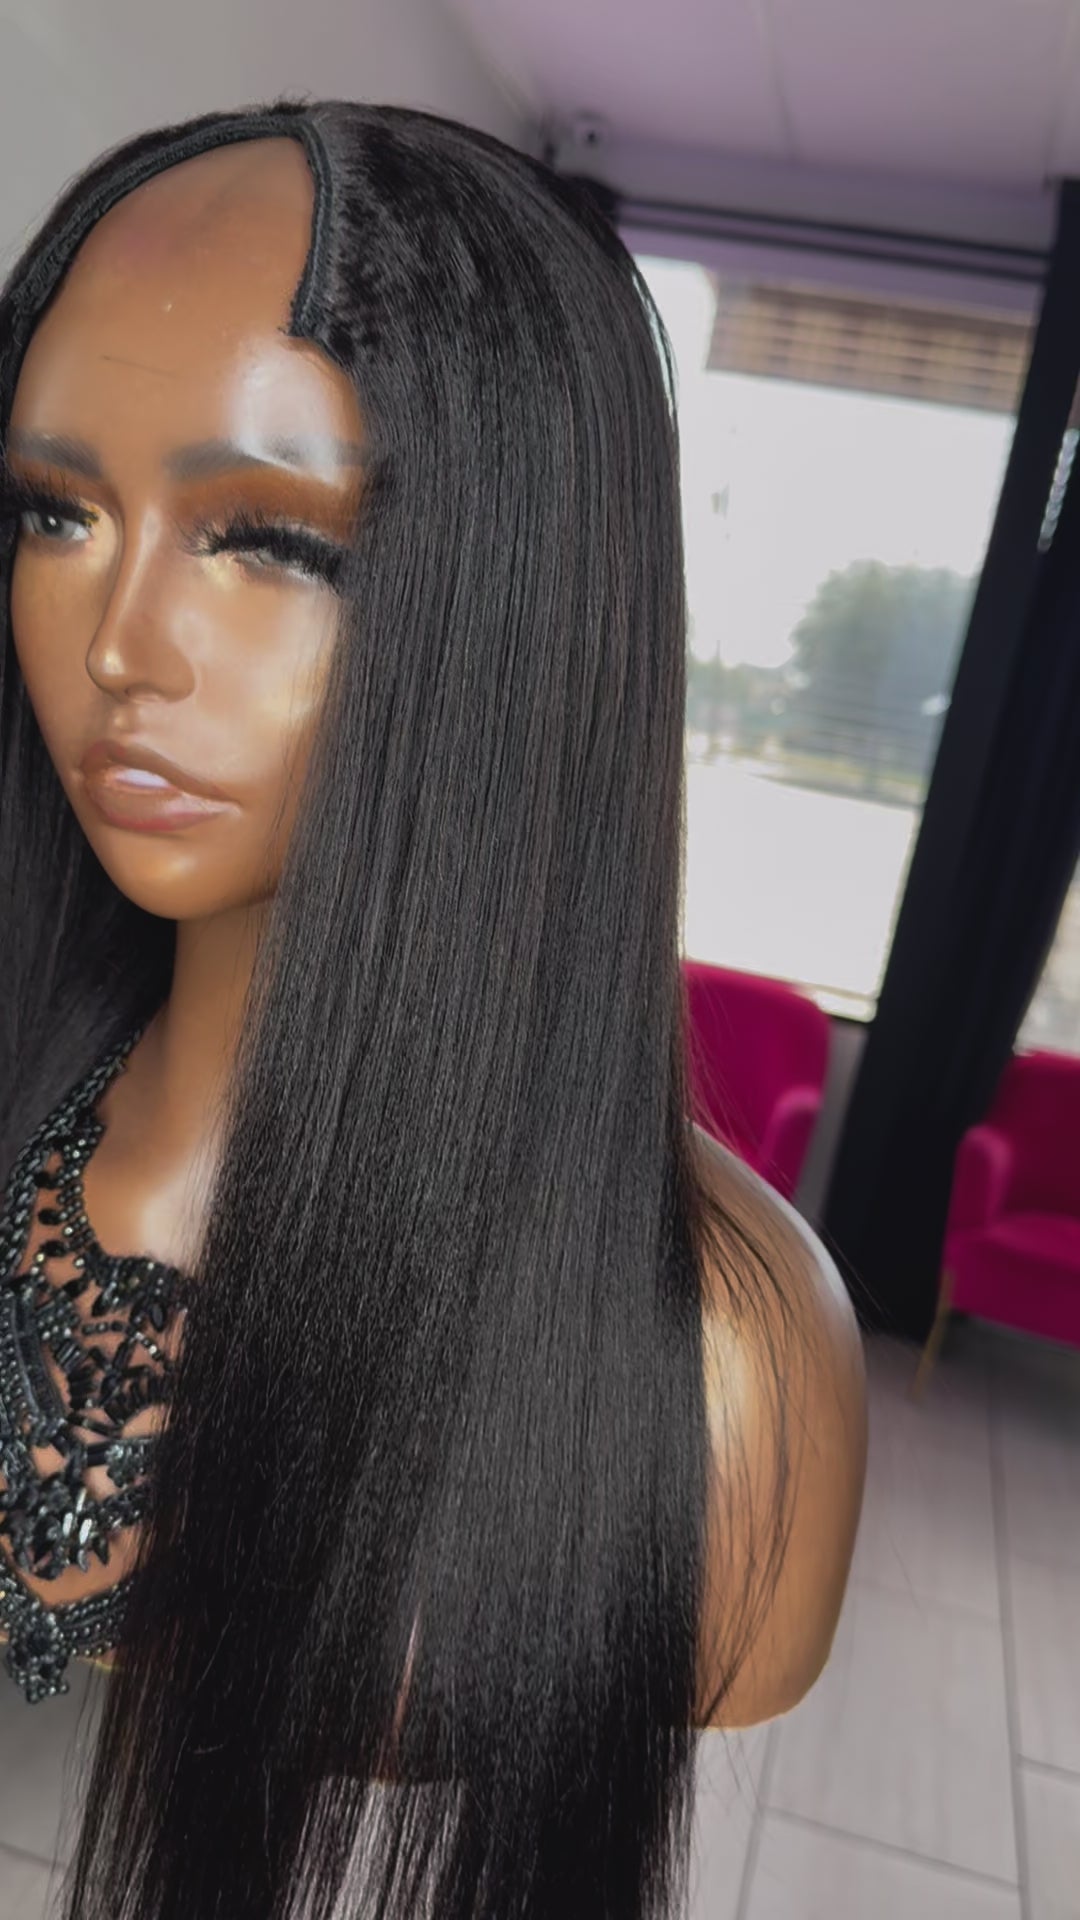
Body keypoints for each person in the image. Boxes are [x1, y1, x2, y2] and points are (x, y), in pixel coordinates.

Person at [0, 97, 866, 1920]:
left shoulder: (715, 1366)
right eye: (56, 511)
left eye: (272, 540)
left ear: (521, 600)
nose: (119, 644)